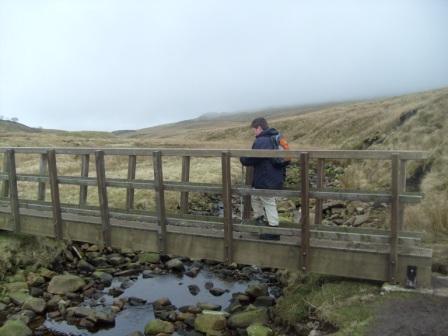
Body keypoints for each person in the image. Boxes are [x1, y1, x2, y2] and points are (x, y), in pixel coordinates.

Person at [240, 117, 285, 227]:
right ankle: (260, 220)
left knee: (268, 201)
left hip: (265, 179)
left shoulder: (262, 140)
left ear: (259, 127)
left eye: (254, 130)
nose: (254, 132)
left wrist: (243, 159)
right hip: (276, 177)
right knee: (255, 197)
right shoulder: (276, 138)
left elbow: (253, 158)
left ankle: (273, 230)